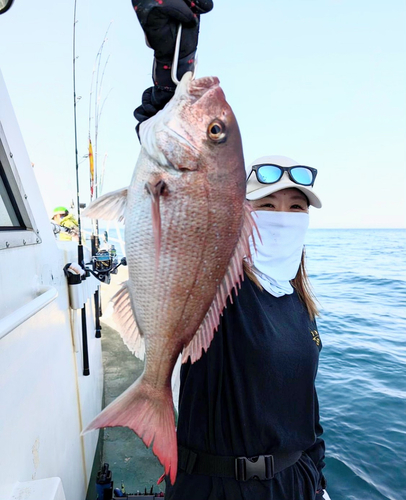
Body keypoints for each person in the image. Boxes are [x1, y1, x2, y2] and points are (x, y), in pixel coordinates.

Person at [131, 2, 327, 499]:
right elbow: (173, 145)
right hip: (215, 488)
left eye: (295, 207)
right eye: (268, 205)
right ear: (240, 213)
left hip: (296, 486)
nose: (282, 217)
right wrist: (173, 57)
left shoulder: (302, 304)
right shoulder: (226, 281)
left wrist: (316, 478)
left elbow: (309, 413)